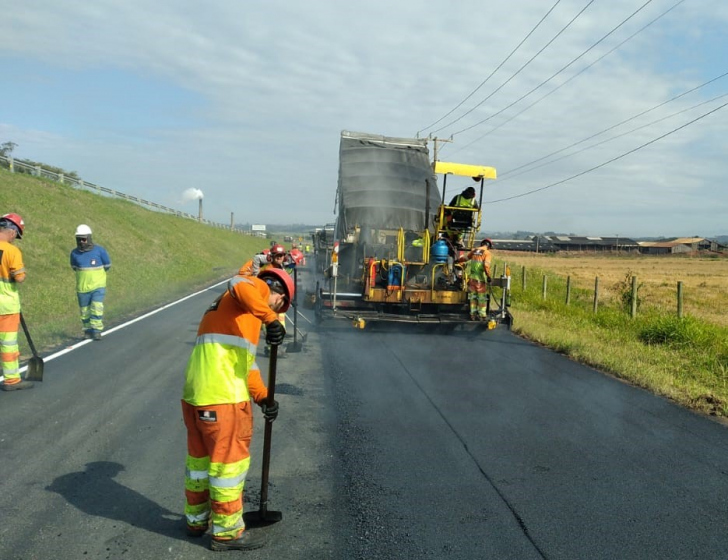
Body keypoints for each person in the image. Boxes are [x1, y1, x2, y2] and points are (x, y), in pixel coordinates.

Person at [181, 268, 293, 551]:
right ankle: (227, 533)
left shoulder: (238, 315)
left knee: (200, 463)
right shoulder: (253, 289)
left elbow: (247, 366)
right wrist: (269, 318)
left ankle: (196, 521)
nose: (278, 313)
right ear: (278, 294)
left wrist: (264, 398)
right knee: (227, 466)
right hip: (223, 397)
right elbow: (239, 282)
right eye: (281, 308)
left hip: (196, 394)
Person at [0, 213, 32, 391]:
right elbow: (19, 278)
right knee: (8, 344)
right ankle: (12, 380)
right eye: (16, 235)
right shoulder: (12, 251)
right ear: (12, 232)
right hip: (6, 306)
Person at [70, 225, 111, 341]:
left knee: (96, 307)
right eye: (79, 239)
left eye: (84, 239)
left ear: (89, 238)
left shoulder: (100, 251)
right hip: (82, 288)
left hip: (98, 286)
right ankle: (87, 330)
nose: (82, 242)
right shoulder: (74, 253)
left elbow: (107, 265)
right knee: (84, 311)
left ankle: (97, 330)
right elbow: (74, 266)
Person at [463, 238, 492, 321]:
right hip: (479, 279)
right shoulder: (487, 253)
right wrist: (488, 276)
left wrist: (456, 261)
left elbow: (465, 259)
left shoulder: (474, 251)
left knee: (473, 297)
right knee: (481, 298)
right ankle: (482, 315)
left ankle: (472, 315)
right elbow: (486, 266)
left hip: (471, 278)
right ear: (488, 246)